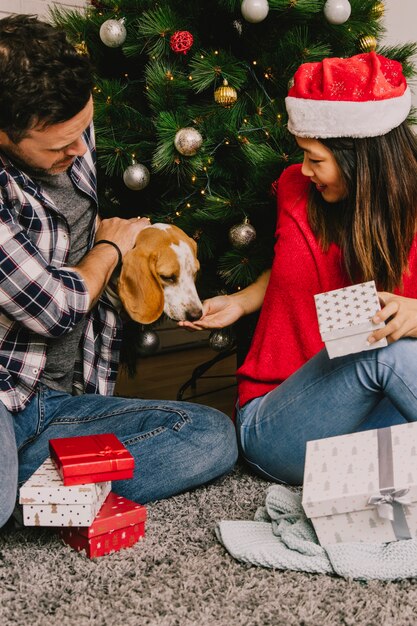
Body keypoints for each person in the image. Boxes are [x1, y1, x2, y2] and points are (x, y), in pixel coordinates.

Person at [0, 14, 238, 529]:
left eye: (82, 129)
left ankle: (35, 489)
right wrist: (109, 246)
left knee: (211, 436)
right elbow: (57, 309)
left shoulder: (67, 128)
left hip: (60, 404)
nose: (82, 151)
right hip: (3, 392)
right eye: (60, 145)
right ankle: (28, 491)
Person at [181, 50, 417, 486]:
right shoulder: (295, 188)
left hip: (370, 415)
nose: (304, 169)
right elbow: (292, 268)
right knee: (388, 352)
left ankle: (374, 479)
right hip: (278, 421)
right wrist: (241, 301)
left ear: (361, 160)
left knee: (398, 352)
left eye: (316, 159)